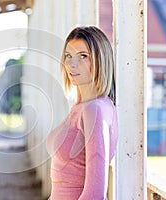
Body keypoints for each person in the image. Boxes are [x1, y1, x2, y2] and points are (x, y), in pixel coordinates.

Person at [46, 26, 118, 200]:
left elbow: (95, 194)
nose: (72, 64)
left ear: (100, 60)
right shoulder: (83, 107)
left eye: (83, 56)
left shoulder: (95, 110)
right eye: (68, 56)